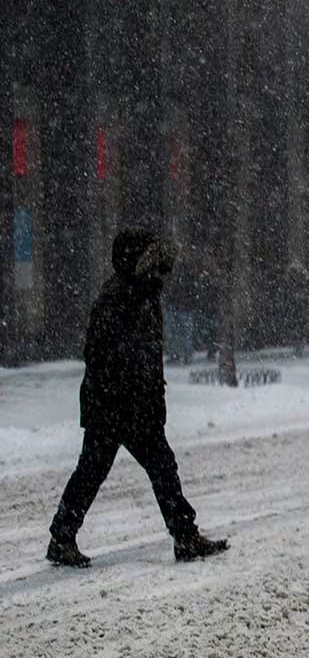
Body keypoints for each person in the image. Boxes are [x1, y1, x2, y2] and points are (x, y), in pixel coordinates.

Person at [45, 229, 229, 567]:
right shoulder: (118, 297)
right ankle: (182, 536)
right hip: (117, 406)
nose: (162, 273)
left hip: (129, 406)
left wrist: (150, 398)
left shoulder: (143, 295)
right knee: (112, 469)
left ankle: (64, 535)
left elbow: (144, 357)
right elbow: (102, 354)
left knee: (131, 469)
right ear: (137, 261)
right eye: (155, 263)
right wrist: (130, 393)